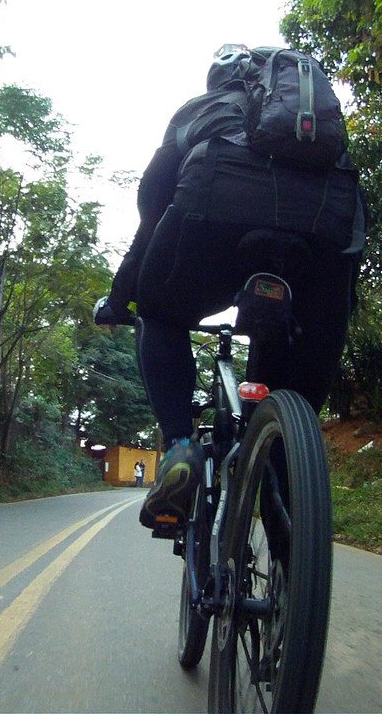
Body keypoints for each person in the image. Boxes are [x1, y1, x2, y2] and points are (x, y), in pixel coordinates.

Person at [94, 45, 365, 531]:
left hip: (212, 221)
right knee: (298, 371)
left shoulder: (199, 111)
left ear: (215, 81)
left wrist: (121, 297)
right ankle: (288, 510)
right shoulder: (313, 124)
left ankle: (180, 449)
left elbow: (153, 206)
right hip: (323, 242)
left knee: (159, 313)